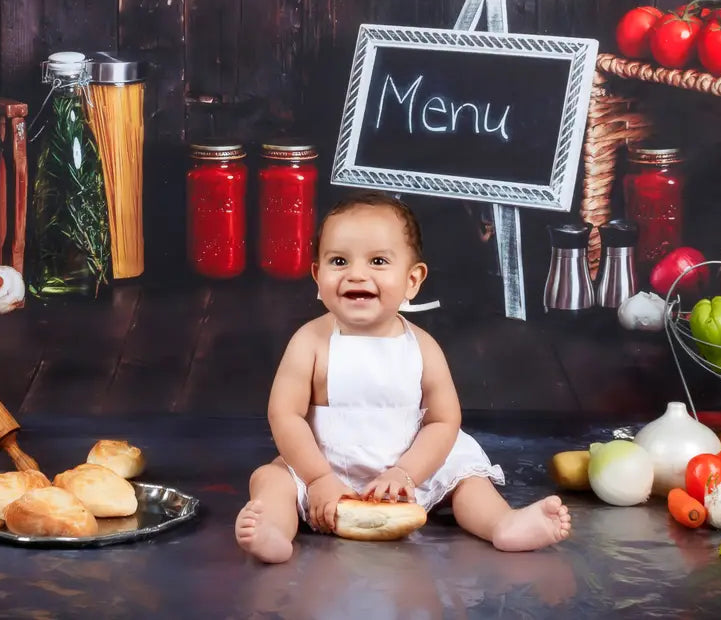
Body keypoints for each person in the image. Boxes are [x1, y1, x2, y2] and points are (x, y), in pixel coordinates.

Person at [235, 190, 571, 563]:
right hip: (325, 468)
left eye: (378, 261)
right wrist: (316, 478)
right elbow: (285, 415)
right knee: (270, 479)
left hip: (409, 473)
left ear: (412, 280)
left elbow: (444, 421)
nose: (356, 274)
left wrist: (408, 473)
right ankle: (275, 533)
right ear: (317, 275)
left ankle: (502, 524)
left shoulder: (422, 347)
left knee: (467, 480)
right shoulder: (309, 342)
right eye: (339, 260)